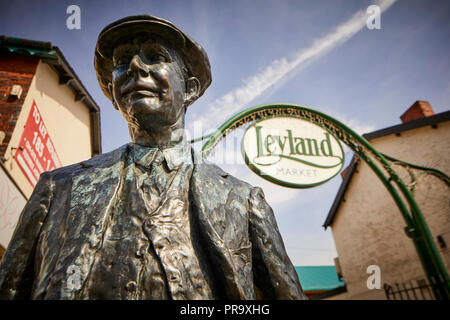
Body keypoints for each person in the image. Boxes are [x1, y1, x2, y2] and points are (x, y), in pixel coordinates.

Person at [0, 15, 305, 300]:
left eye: (155, 56)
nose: (134, 66)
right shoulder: (58, 187)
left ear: (190, 89)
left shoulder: (242, 199)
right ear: (113, 92)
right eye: (122, 61)